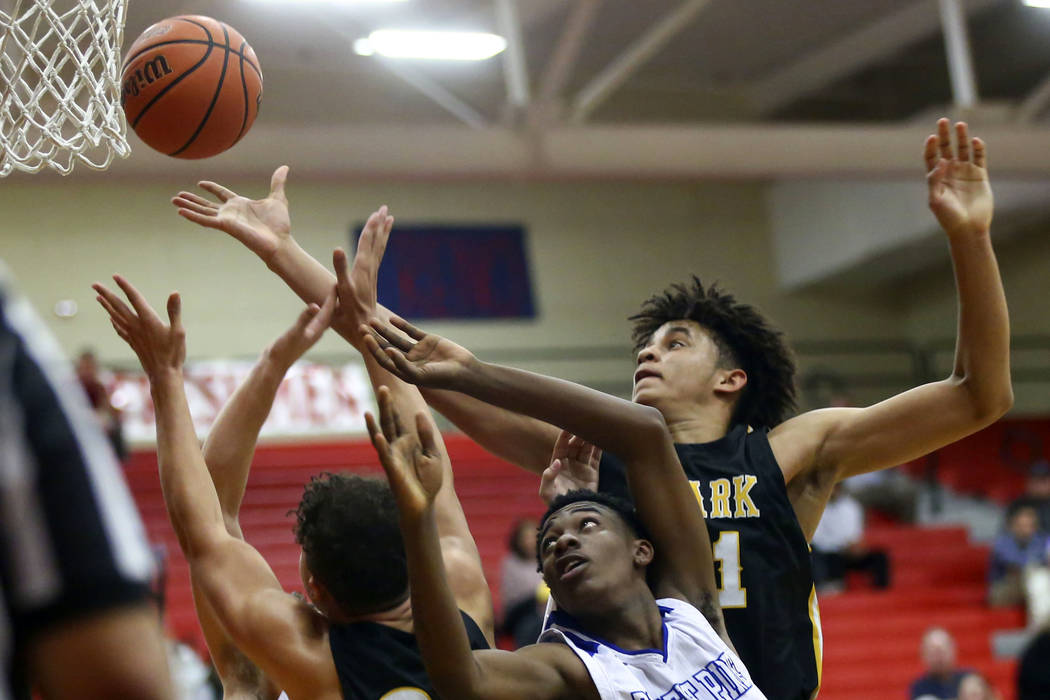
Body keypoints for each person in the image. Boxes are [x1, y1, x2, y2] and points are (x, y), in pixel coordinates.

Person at [172, 118, 1012, 700]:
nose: (649, 350)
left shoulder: (791, 453)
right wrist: (284, 252)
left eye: (678, 341)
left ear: (734, 380)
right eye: (647, 342)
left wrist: (970, 238)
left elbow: (980, 397)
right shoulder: (592, 455)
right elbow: (412, 360)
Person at [91, 259, 493, 699]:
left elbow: (211, 518)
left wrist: (171, 375)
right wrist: (367, 322)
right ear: (419, 560)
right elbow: (425, 454)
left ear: (313, 587)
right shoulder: (464, 593)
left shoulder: (300, 657)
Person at [362, 314, 767, 700]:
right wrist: (417, 523)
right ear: (551, 587)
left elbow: (645, 431)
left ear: (641, 550)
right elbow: (462, 679)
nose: (561, 543)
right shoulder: (573, 669)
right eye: (548, 545)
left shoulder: (693, 616)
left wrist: (474, 373)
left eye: (587, 526)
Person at [0, 263, 173, 699]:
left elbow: (110, 419)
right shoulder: (27, 370)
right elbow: (119, 676)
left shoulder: (93, 388)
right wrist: (165, 378)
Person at [809, 484, 890, 592]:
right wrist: (841, 545)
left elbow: (855, 533)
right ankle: (833, 585)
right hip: (828, 552)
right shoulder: (816, 507)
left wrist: (855, 545)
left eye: (835, 488)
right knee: (821, 554)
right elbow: (817, 537)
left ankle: (881, 592)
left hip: (848, 551)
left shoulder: (852, 506)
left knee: (880, 556)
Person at [500, 518, 547, 648]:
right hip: (519, 611)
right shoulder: (511, 563)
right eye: (526, 537)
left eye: (533, 537)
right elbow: (515, 595)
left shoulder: (547, 560)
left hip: (541, 611)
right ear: (518, 540)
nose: (530, 541)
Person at [910, 627, 970, 700]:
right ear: (924, 655)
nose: (939, 658)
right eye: (934, 653)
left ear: (953, 650)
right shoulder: (919, 687)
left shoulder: (969, 680)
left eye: (942, 651)